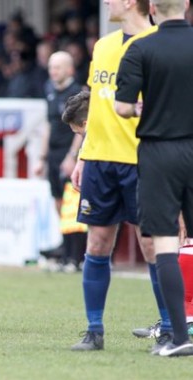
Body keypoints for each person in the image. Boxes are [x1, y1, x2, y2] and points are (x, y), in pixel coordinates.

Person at [68, 0, 165, 353]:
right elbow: (95, 103)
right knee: (97, 244)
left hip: (142, 161)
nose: (106, 2)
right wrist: (82, 153)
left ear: (129, 2)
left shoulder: (159, 42)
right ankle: (94, 331)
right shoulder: (103, 46)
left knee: (153, 246)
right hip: (99, 161)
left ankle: (169, 328)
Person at [114, 0, 193, 357]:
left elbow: (122, 106)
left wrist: (144, 107)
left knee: (165, 244)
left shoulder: (139, 48)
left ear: (152, 9)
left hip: (160, 152)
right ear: (187, 5)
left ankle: (179, 337)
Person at [34, 51, 84, 272]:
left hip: (69, 154)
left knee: (72, 206)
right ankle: (66, 251)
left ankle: (76, 256)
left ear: (70, 69)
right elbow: (48, 125)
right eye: (51, 67)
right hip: (53, 155)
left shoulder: (79, 93)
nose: (53, 71)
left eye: (58, 67)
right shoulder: (49, 90)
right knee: (58, 204)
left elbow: (81, 129)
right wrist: (42, 157)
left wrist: (72, 157)